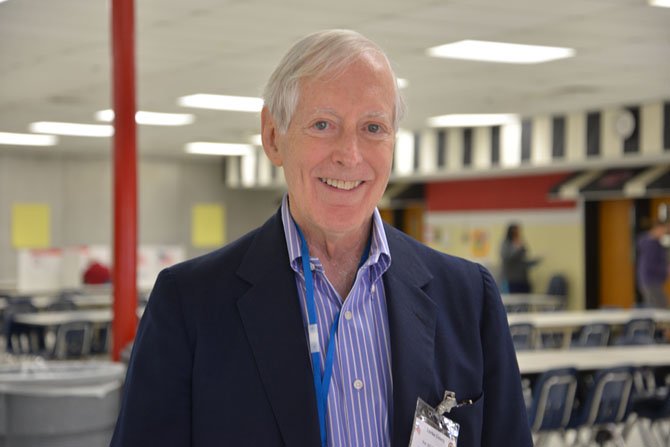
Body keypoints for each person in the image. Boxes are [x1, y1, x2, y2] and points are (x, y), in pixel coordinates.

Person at [111, 30, 532, 446]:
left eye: (372, 127)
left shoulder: (468, 298)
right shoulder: (190, 305)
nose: (349, 154)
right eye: (323, 124)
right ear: (274, 136)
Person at [500, 223, 541, 294]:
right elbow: (507, 258)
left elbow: (523, 261)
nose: (518, 233)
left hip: (522, 279)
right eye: (515, 231)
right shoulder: (505, 244)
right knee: (512, 302)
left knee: (524, 301)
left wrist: (535, 261)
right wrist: (517, 248)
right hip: (510, 280)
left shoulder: (521, 243)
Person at [637, 219, 669, 308]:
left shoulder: (656, 243)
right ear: (657, 229)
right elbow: (650, 265)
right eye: (664, 230)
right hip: (651, 281)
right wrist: (666, 270)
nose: (665, 233)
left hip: (654, 281)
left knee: (661, 306)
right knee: (661, 308)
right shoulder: (650, 245)